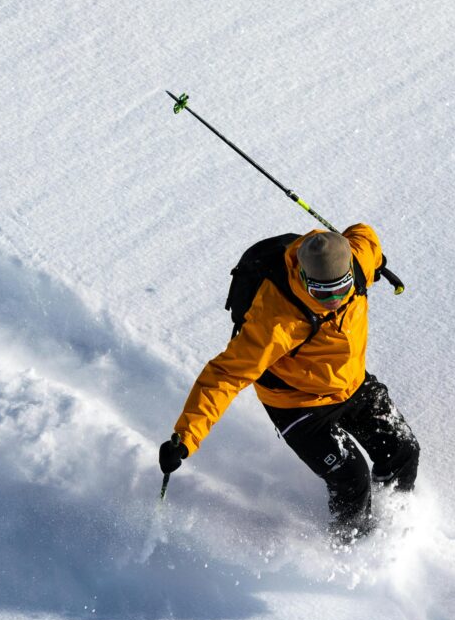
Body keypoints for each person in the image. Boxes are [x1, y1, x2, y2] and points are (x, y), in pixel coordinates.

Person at [157, 225, 419, 543]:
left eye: (341, 288)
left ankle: (394, 521)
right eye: (323, 293)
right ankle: (352, 545)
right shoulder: (278, 322)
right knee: (352, 476)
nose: (335, 300)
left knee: (403, 449)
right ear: (306, 280)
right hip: (299, 405)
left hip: (350, 384)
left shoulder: (359, 261)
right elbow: (223, 377)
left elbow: (364, 235)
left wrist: (376, 260)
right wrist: (185, 438)